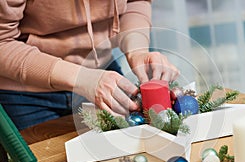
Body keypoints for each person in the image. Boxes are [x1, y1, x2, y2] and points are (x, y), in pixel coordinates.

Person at [0, 0, 179, 130]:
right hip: (25, 94)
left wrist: (137, 49)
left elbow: (135, 2)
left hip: (102, 74)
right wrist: (81, 78)